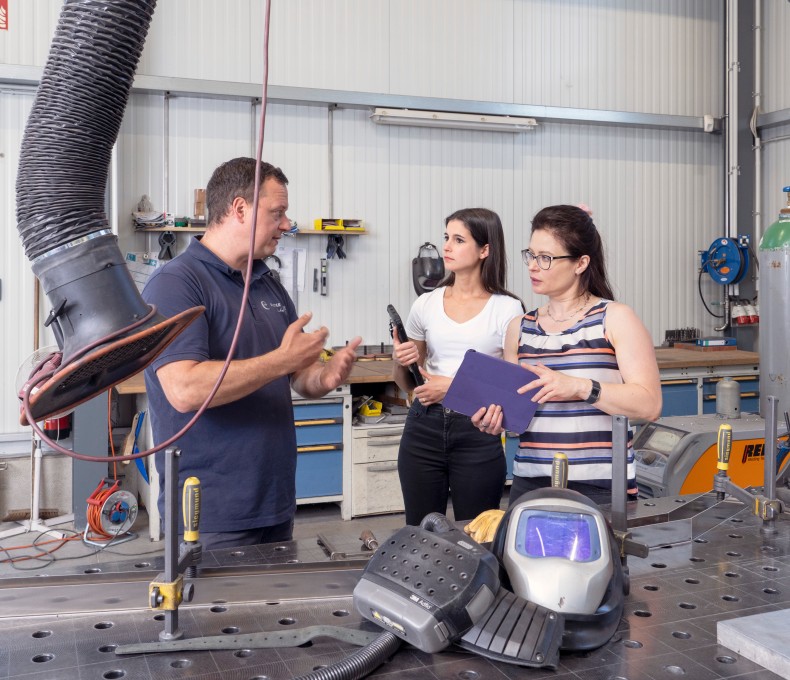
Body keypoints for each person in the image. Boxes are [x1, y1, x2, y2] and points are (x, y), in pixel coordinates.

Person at [143, 157, 361, 549]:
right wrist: (283, 360)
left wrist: (322, 378)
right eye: (277, 213)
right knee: (218, 612)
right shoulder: (176, 284)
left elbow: (296, 376)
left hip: (275, 504)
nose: (286, 224)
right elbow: (186, 390)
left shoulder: (266, 282)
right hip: (211, 515)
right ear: (240, 209)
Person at [473, 204, 662, 507]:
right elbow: (516, 418)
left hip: (598, 486)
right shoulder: (519, 328)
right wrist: (495, 421)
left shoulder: (614, 318)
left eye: (545, 258)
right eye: (531, 255)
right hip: (530, 483)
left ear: (580, 263)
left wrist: (577, 387)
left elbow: (649, 405)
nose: (533, 266)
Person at [392, 208, 524, 526]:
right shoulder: (425, 304)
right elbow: (408, 384)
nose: (447, 247)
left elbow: (515, 391)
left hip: (477, 432)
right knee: (420, 534)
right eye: (446, 238)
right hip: (422, 428)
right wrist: (400, 361)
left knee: (477, 537)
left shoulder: (508, 309)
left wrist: (449, 387)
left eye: (459, 239)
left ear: (485, 249)